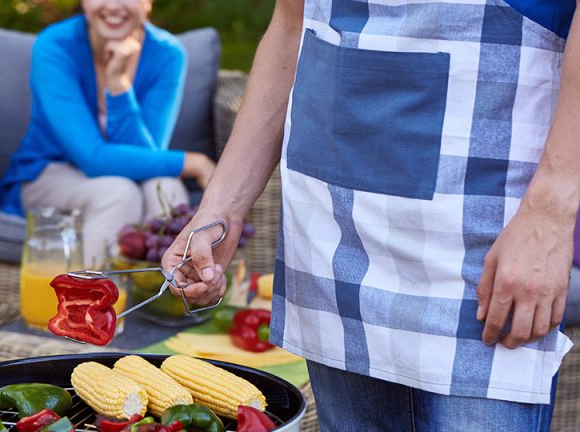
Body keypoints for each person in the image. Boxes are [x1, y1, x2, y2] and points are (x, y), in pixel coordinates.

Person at [163, 0, 578, 430]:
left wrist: (550, 212)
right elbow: (292, 24)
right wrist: (220, 209)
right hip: (330, 234)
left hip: (484, 235)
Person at [0, 0, 215, 267]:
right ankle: (87, 303)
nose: (113, 6)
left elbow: (148, 156)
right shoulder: (55, 45)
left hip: (127, 180)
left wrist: (119, 84)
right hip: (49, 173)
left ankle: (163, 300)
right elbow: (91, 158)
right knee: (118, 193)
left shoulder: (167, 53)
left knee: (164, 188)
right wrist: (192, 163)